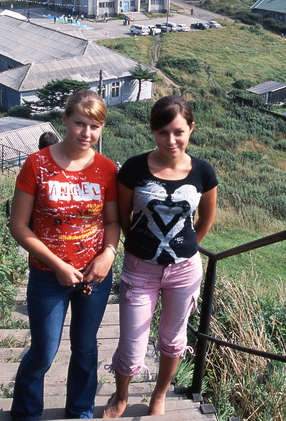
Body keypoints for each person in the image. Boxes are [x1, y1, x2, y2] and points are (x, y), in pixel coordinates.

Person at [103, 95, 217, 418]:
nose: (171, 140)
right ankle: (121, 395)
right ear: (153, 132)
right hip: (140, 270)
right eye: (163, 132)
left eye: (179, 131)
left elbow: (205, 219)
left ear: (191, 129)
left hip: (184, 271)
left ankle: (159, 394)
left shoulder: (203, 173)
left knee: (173, 339)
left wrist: (186, 247)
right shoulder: (135, 167)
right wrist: (139, 245)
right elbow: (123, 216)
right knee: (130, 346)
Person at [10, 89, 120, 421]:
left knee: (85, 349)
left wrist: (109, 254)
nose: (87, 133)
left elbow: (113, 220)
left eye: (95, 126)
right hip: (47, 275)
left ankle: (80, 411)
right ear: (64, 121)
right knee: (44, 352)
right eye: (80, 123)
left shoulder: (106, 169)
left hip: (95, 276)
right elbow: (18, 226)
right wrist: (57, 265)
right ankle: (27, 413)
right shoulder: (36, 165)